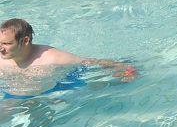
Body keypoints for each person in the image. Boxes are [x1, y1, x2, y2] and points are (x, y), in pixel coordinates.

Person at [0, 18, 137, 98]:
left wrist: (124, 68)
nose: (1, 48)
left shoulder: (51, 57)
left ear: (25, 41)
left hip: (55, 91)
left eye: (6, 43)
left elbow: (89, 62)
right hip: (16, 95)